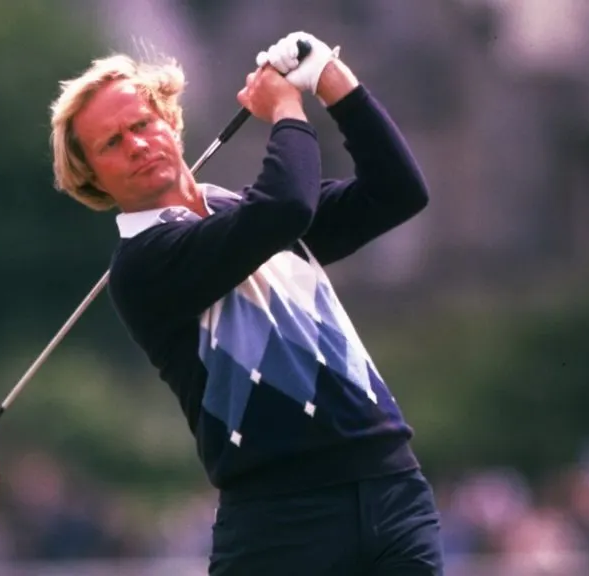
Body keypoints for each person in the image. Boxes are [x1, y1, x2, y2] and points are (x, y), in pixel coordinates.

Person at [48, 30, 443, 575]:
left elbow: (397, 191)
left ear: (169, 121)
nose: (136, 145)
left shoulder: (242, 212)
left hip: (392, 489)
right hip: (280, 522)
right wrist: (285, 108)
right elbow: (283, 209)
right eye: (111, 143)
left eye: (141, 124)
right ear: (91, 177)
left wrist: (331, 80)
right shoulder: (142, 264)